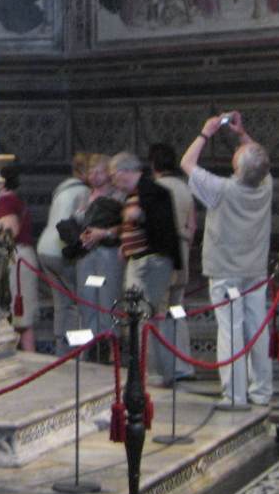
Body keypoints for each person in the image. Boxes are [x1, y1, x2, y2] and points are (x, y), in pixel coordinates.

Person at [181, 111, 273, 410]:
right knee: (258, 329)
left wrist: (205, 133)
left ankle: (234, 395)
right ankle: (261, 391)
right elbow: (262, 161)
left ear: (236, 166)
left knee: (230, 331)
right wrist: (242, 134)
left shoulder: (222, 190)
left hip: (225, 272)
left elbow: (187, 164)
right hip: (255, 271)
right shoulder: (266, 186)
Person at [115, 156, 182, 388]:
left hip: (150, 263)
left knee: (144, 316)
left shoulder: (150, 191)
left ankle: (152, 374)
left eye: (115, 176)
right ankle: (153, 371)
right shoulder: (137, 192)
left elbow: (155, 222)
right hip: (141, 260)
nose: (115, 182)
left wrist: (138, 216)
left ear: (125, 172)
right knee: (144, 316)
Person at [149, 142, 197, 383]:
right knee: (177, 310)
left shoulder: (154, 188)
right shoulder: (184, 187)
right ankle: (184, 364)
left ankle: (162, 367)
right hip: (182, 252)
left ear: (153, 164)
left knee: (158, 312)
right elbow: (193, 225)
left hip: (162, 256)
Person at [39, 153, 91, 354]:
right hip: (62, 251)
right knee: (77, 302)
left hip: (44, 248)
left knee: (61, 303)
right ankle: (76, 351)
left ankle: (62, 348)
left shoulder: (62, 188)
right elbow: (82, 218)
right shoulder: (82, 191)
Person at [75, 154, 126, 352]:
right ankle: (90, 345)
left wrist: (103, 233)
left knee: (109, 298)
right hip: (86, 254)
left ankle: (111, 344)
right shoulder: (83, 196)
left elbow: (125, 226)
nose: (95, 176)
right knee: (87, 298)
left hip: (109, 252)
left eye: (100, 171)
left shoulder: (119, 196)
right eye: (91, 171)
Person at [0, 166, 38, 352]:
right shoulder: (8, 201)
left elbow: (9, 232)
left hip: (16, 260)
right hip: (16, 258)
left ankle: (29, 362)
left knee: (20, 318)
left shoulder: (6, 202)